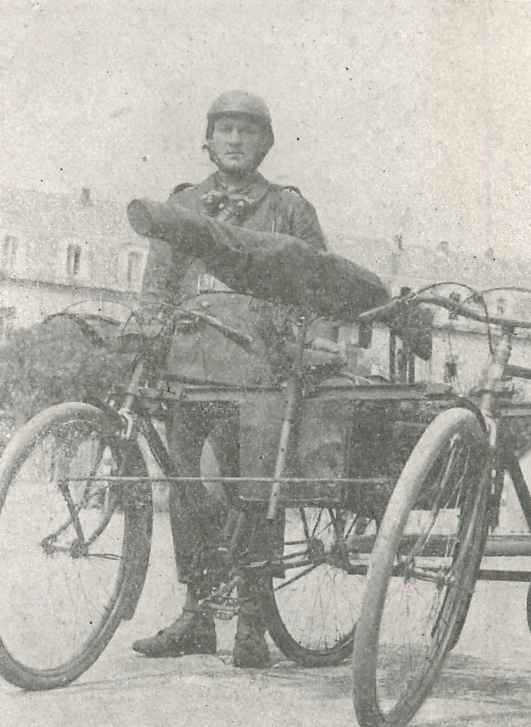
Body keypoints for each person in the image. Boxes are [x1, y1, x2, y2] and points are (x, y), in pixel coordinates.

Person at [131, 90, 328, 668]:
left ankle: (252, 624)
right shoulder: (184, 203)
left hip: (260, 373)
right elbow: (159, 277)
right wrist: (147, 333)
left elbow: (316, 281)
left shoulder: (289, 208)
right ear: (208, 141)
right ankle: (196, 616)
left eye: (247, 130)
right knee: (187, 490)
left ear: (266, 143)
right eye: (225, 130)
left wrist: (303, 342)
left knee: (255, 493)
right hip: (189, 368)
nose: (236, 140)